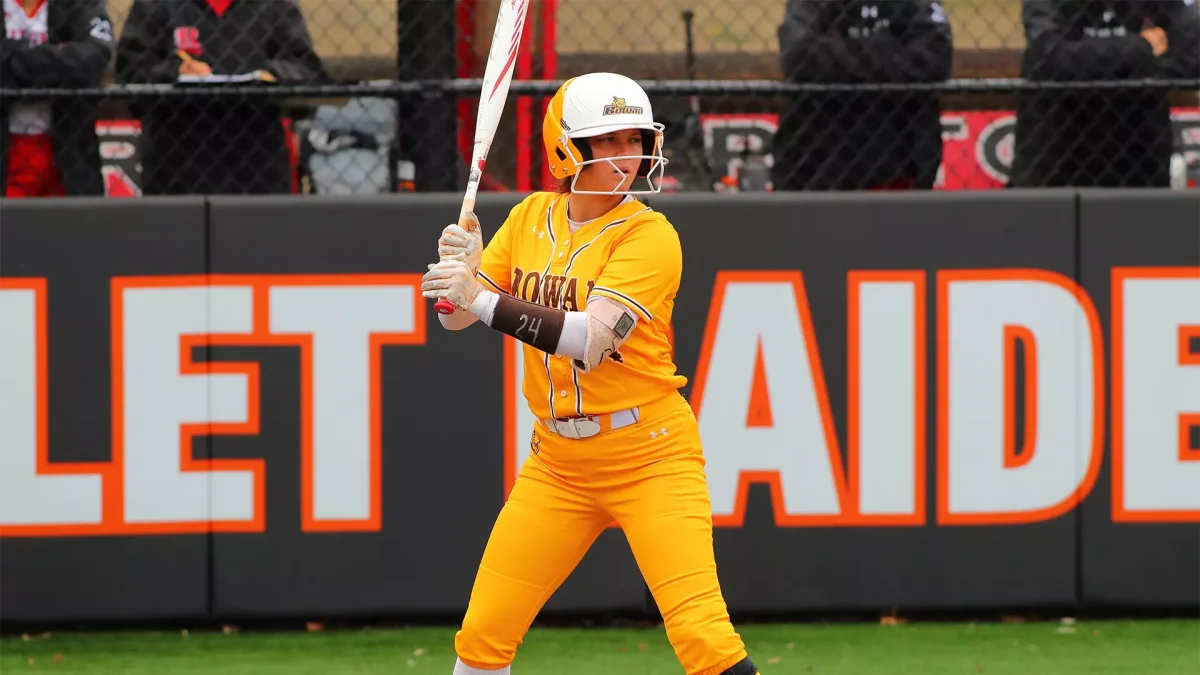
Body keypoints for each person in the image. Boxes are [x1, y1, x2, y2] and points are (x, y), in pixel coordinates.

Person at [420, 72, 761, 675]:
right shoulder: (529, 217)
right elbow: (454, 320)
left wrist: (479, 297)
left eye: (634, 138)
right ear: (567, 149)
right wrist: (458, 277)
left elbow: (591, 341)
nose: (626, 155)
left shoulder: (651, 235)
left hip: (649, 453)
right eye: (607, 141)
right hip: (558, 463)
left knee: (702, 636)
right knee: (483, 635)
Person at [114, 0, 326, 195]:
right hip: (176, 162)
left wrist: (272, 75)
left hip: (258, 161)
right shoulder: (157, 4)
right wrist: (175, 71)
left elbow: (307, 70)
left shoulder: (273, 4)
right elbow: (129, 72)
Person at [1010, 0, 1200, 188]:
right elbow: (1049, 57)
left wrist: (1093, 62)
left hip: (1139, 151)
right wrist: (1139, 48)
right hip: (1056, 151)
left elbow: (1193, 56)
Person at [773, 0, 953, 191]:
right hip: (815, 164)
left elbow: (936, 56)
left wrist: (839, 51)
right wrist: (888, 46)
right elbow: (799, 56)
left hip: (898, 159)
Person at [0, 0, 113, 198]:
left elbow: (94, 58)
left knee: (71, 226)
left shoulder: (81, 4)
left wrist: (13, 57)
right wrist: (60, 56)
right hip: (10, 148)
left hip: (69, 150)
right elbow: (77, 62)